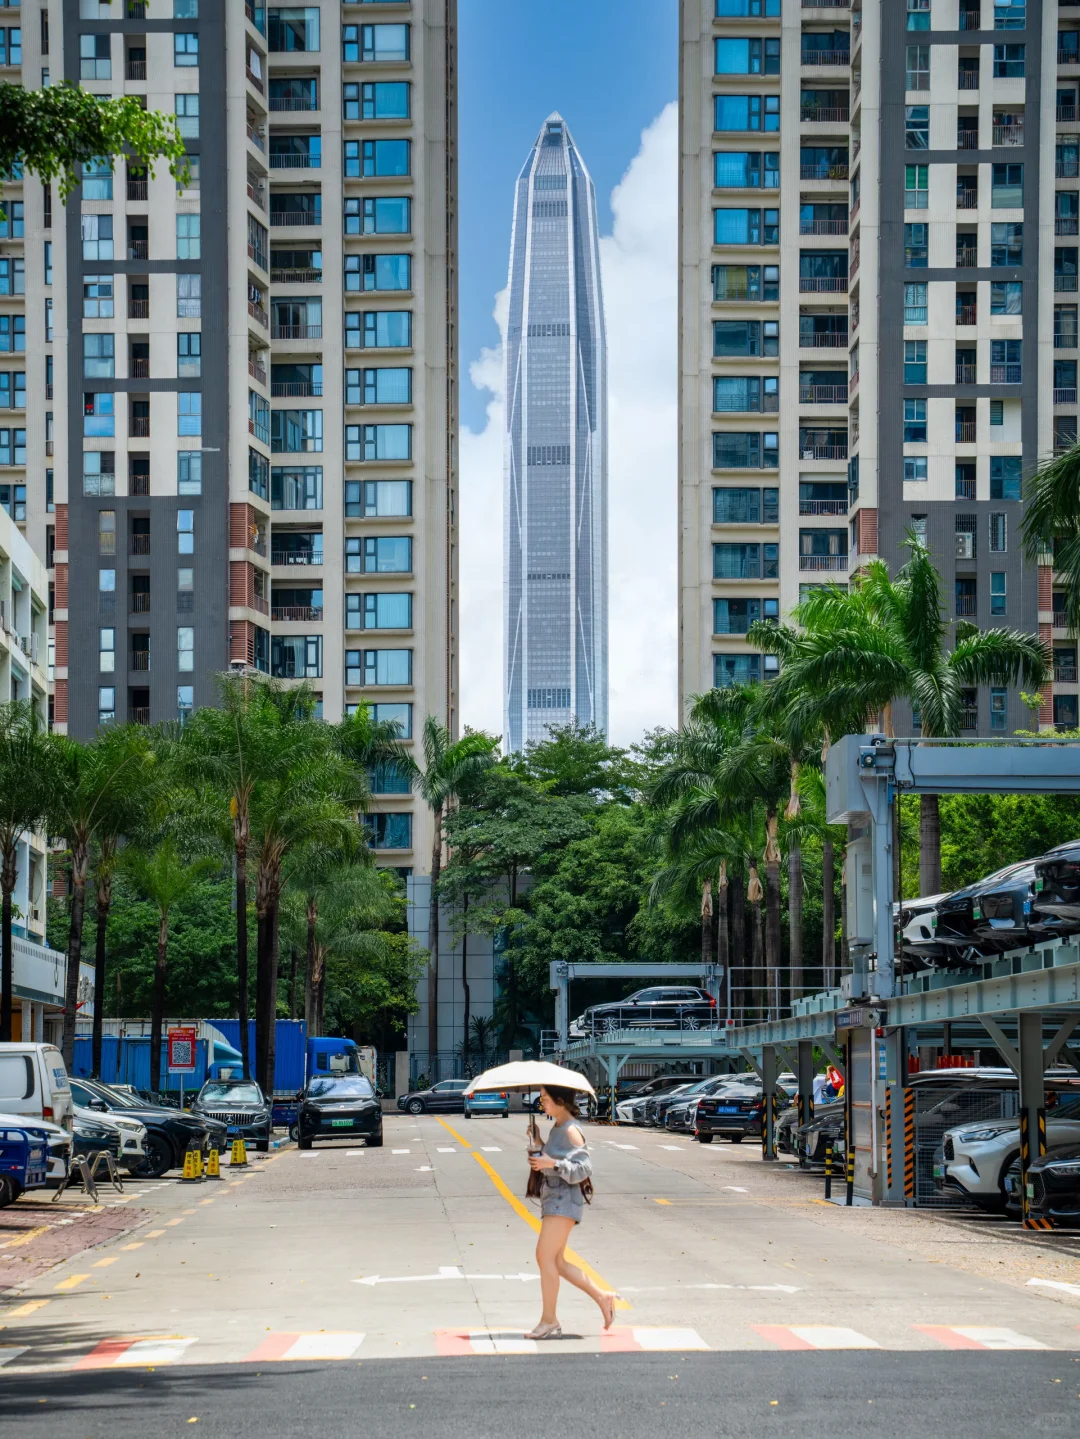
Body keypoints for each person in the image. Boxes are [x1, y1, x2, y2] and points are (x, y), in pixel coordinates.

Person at [525, 1084, 620, 1340]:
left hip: (564, 1200)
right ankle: (603, 1297)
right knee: (556, 1261)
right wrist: (538, 1143)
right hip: (554, 1198)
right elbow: (554, 1160)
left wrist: (551, 1162)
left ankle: (549, 1320)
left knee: (544, 1257)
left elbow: (583, 1168)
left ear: (559, 1099)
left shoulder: (571, 1130)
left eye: (544, 1098)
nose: (541, 1103)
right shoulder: (557, 1127)